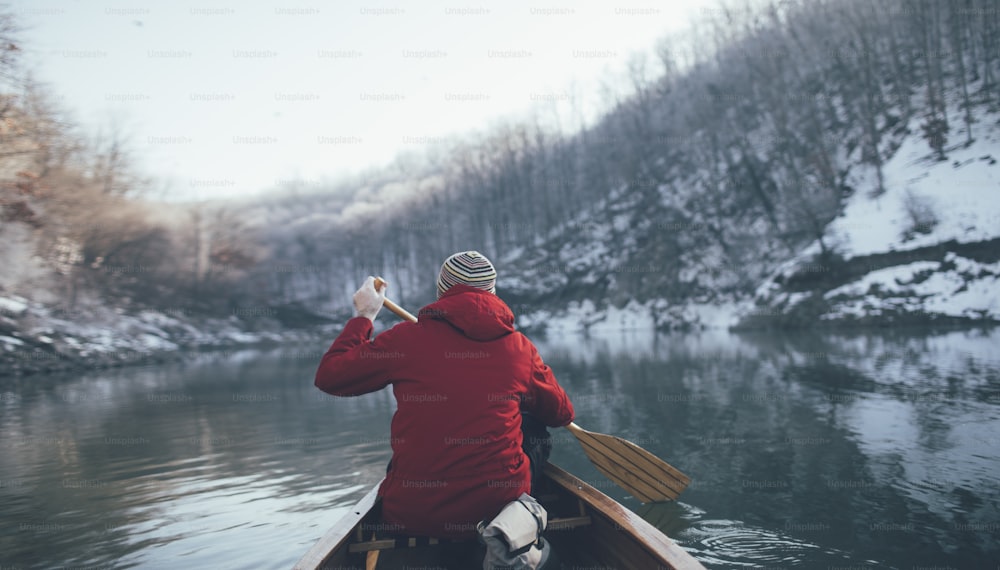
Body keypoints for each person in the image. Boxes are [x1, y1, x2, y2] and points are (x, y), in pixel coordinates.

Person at [315, 251, 575, 540]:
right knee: (533, 426)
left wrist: (364, 316)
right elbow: (561, 414)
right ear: (493, 293)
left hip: (411, 513)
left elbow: (330, 377)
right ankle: (515, 522)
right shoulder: (519, 348)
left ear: (441, 292)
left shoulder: (404, 340)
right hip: (496, 509)